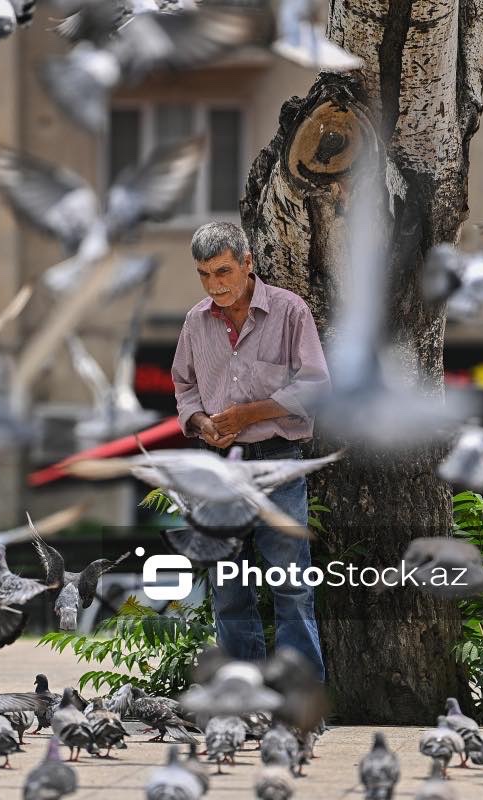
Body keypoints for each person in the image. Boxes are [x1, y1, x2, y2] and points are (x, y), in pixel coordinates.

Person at [170, 221, 330, 681]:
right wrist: (201, 423)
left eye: (223, 271)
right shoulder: (195, 321)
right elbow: (185, 389)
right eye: (204, 275)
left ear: (247, 263)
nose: (215, 285)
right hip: (219, 468)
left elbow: (317, 387)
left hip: (277, 462)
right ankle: (243, 699)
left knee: (291, 585)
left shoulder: (289, 311)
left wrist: (247, 415)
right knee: (227, 587)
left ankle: (300, 700)